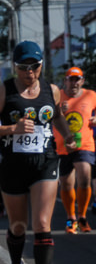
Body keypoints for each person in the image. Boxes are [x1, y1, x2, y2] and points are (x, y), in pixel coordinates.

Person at [0, 40, 77, 264]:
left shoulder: (51, 90)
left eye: (34, 67)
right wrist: (13, 129)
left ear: (41, 65)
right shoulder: (4, 91)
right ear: (15, 67)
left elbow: (56, 115)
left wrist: (67, 136)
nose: (29, 72)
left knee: (42, 224)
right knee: (18, 226)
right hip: (12, 165)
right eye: (24, 67)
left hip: (44, 162)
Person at [54, 66, 96, 233]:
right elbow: (47, 118)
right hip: (63, 145)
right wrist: (58, 112)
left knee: (85, 175)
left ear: (82, 81)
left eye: (77, 79)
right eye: (70, 79)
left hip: (84, 144)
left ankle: (82, 216)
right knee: (66, 183)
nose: (73, 83)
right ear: (65, 81)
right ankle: (71, 218)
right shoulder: (58, 96)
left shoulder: (91, 95)